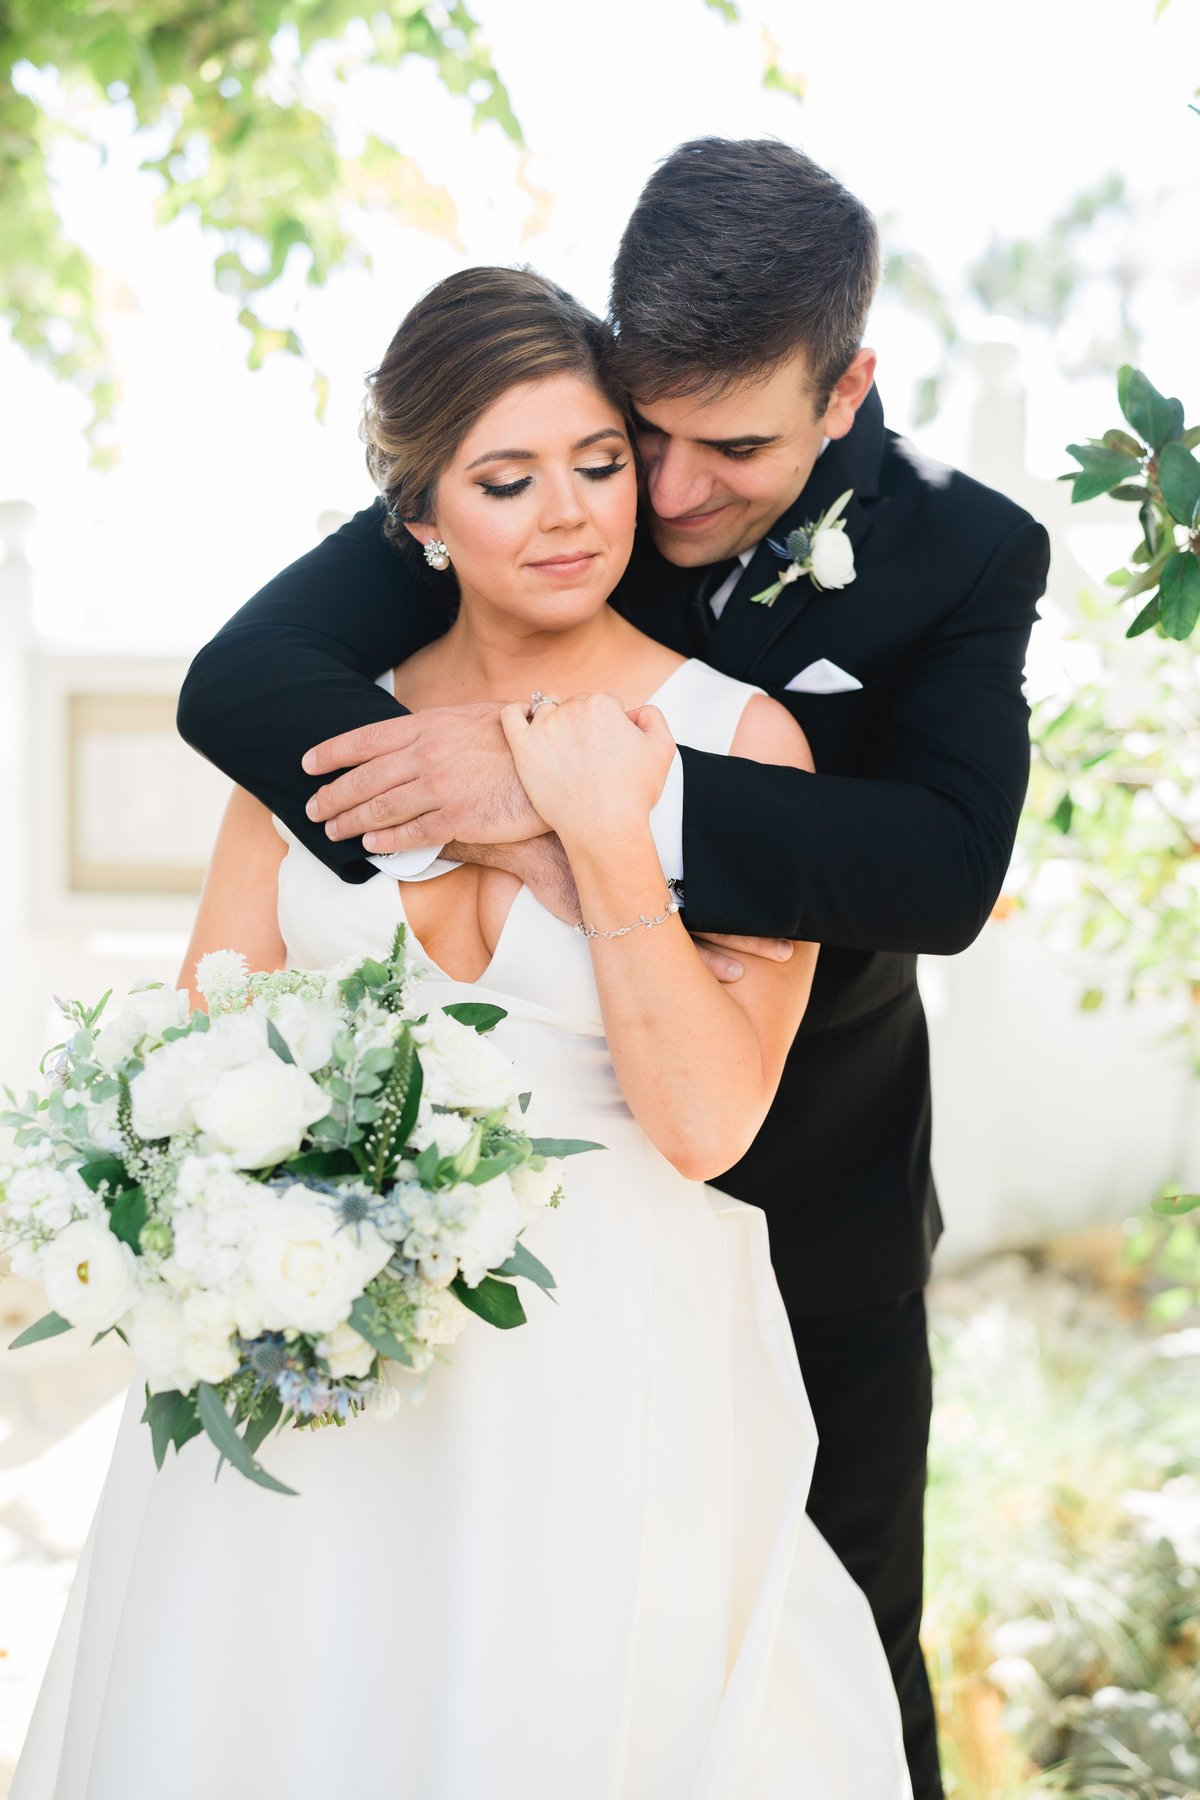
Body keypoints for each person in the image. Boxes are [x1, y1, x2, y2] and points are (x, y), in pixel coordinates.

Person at [175, 141, 1051, 1800]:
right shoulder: (552, 459)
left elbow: (940, 872)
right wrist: (501, 811)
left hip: (810, 1185)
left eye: (733, 448)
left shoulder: (964, 555)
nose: (666, 493)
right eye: (643, 434)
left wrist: (610, 805)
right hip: (468, 1209)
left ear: (849, 389)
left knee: (828, 1664)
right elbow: (244, 678)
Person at [12, 268, 912, 1800]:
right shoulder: (308, 740)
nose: (570, 513)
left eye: (600, 464)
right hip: (316, 1371)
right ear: (421, 516)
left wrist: (600, 832)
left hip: (611, 1377)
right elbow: (193, 1063)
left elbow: (705, 1127)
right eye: (507, 480)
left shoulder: (743, 743)